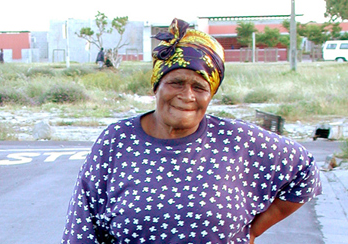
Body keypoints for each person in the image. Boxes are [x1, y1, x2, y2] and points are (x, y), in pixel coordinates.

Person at [61, 18, 322, 244]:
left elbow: (304, 171)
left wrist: (253, 231)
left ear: (210, 95)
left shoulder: (237, 140)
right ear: (157, 86)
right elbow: (82, 225)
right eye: (176, 82)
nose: (186, 96)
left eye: (199, 87)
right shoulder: (117, 140)